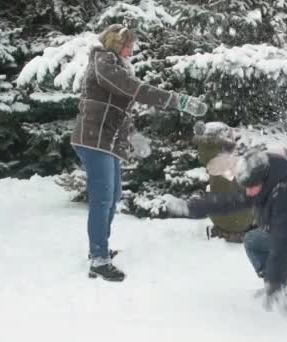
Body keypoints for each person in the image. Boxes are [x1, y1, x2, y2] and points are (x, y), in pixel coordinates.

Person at [70, 24, 207, 281]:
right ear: (115, 44)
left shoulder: (114, 66)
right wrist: (178, 101)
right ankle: (98, 259)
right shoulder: (103, 62)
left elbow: (121, 109)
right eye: (128, 46)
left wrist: (132, 137)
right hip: (94, 139)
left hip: (107, 141)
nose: (131, 52)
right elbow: (136, 89)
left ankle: (100, 249)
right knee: (102, 198)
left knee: (113, 196)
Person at [165, 150, 287, 322]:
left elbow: (284, 243)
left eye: (251, 187)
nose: (248, 192)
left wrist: (273, 280)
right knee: (254, 241)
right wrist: (192, 207)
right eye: (245, 187)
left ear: (264, 181)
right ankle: (281, 284)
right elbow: (228, 202)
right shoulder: (260, 185)